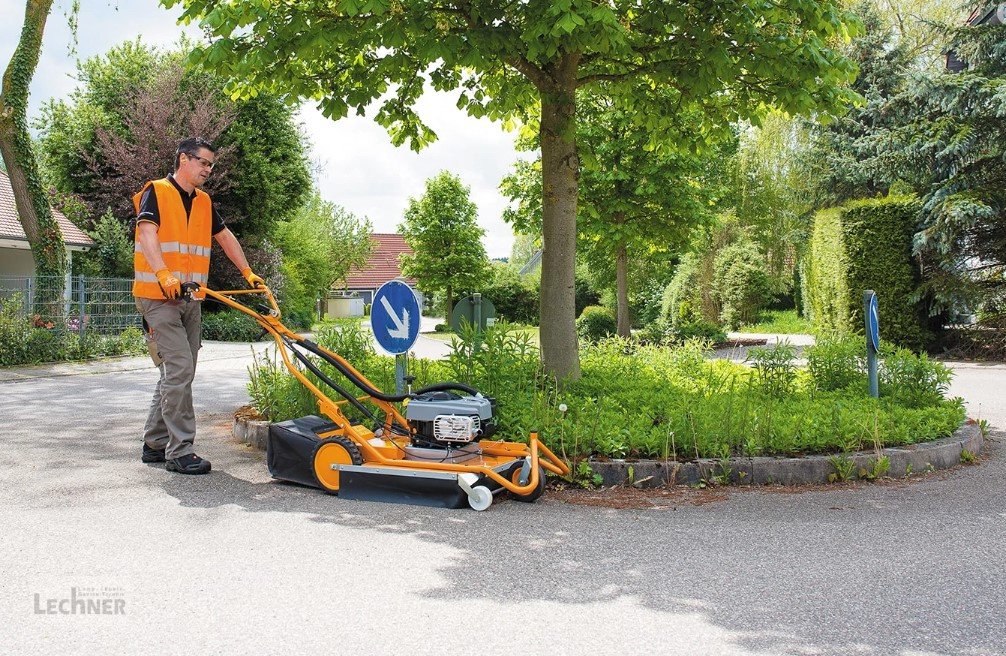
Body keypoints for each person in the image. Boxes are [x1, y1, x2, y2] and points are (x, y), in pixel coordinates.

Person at [133, 137, 264, 475]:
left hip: (191, 298)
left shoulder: (204, 202)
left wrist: (247, 271)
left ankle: (154, 443)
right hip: (157, 296)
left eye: (211, 165)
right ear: (183, 159)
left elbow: (225, 237)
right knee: (178, 370)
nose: (208, 169)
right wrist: (163, 273)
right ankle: (180, 451)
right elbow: (147, 234)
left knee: (177, 373)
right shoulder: (157, 192)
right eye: (204, 162)